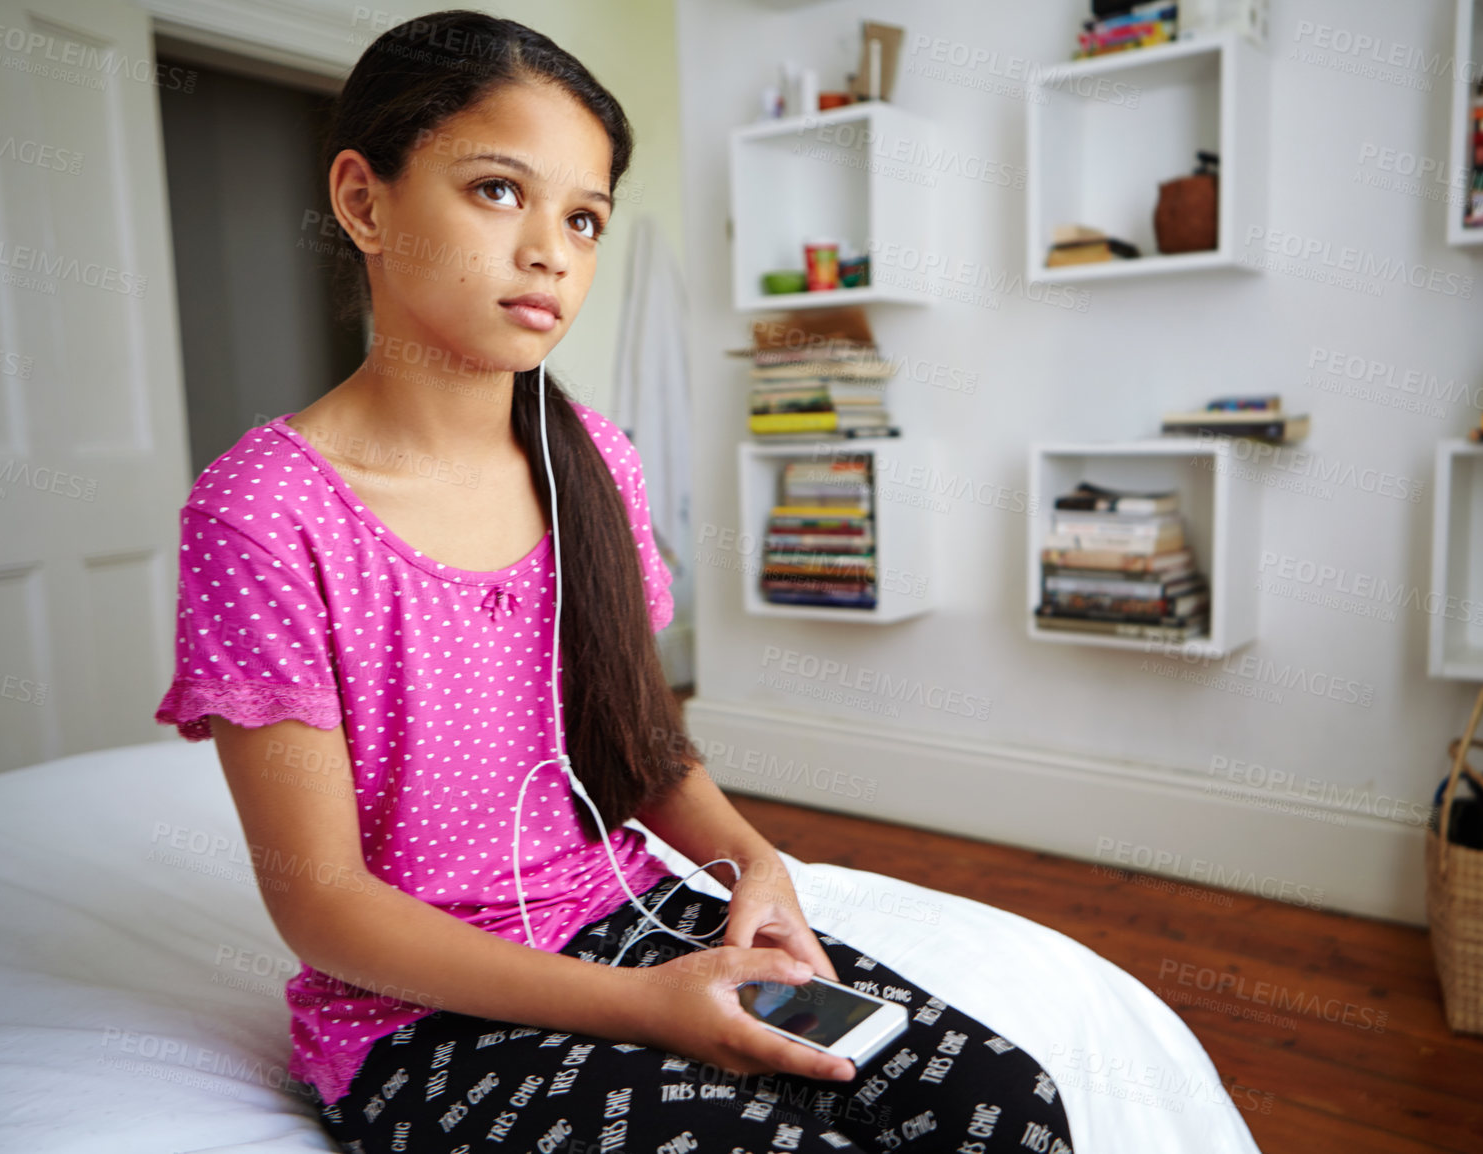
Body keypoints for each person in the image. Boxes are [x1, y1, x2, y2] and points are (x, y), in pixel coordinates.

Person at [153, 10, 1075, 1152]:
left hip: (630, 915)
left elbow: (637, 745)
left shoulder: (594, 463)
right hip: (422, 1013)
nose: (550, 249)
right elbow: (322, 904)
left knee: (1007, 1103)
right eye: (498, 190)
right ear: (363, 200)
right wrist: (649, 1008)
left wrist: (754, 859)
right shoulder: (263, 513)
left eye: (584, 218)